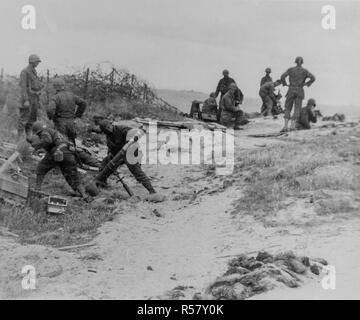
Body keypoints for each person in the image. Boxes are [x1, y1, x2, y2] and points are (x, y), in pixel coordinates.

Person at [27, 121, 91, 201]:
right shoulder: (53, 132)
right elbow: (52, 143)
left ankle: (37, 189)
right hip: (68, 153)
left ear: (38, 131)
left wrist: (37, 145)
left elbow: (48, 141)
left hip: (57, 152)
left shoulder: (44, 133)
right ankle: (85, 196)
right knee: (72, 176)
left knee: (41, 168)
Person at [47, 78, 100, 168]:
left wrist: (51, 117)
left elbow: (50, 110)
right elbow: (83, 103)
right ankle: (77, 162)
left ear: (55, 87)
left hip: (61, 123)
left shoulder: (55, 97)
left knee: (61, 144)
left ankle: (63, 164)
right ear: (64, 86)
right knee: (72, 143)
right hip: (71, 123)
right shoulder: (72, 95)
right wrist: (77, 115)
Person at [94, 119, 157, 194]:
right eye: (106, 129)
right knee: (105, 164)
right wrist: (110, 154)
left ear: (111, 124)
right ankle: (101, 183)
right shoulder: (108, 136)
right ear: (104, 131)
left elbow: (135, 134)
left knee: (137, 173)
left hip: (130, 153)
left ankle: (151, 191)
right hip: (118, 155)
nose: (109, 129)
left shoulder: (121, 129)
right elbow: (110, 148)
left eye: (109, 127)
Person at [280, 56, 315, 132]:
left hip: (291, 90)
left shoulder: (290, 70)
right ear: (302, 62)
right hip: (299, 90)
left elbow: (282, 76)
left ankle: (285, 127)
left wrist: (285, 84)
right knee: (297, 109)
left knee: (288, 108)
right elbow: (313, 78)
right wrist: (306, 84)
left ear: (295, 61)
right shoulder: (305, 71)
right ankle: (292, 127)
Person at [19, 54, 44, 138]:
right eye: (37, 62)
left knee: (32, 119)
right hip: (28, 98)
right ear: (32, 62)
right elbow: (23, 87)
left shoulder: (34, 71)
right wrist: (25, 100)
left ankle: (29, 137)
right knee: (24, 119)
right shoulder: (25, 71)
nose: (38, 63)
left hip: (35, 98)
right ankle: (19, 138)